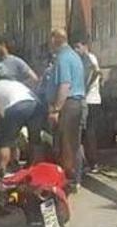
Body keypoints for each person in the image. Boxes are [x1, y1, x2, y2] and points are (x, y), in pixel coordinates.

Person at [44, 29, 87, 189]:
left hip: (68, 104)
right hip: (73, 103)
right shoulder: (73, 57)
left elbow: (65, 85)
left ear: (56, 40)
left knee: (68, 143)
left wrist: (56, 109)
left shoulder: (63, 58)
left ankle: (71, 178)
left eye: (51, 40)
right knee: (72, 142)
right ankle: (74, 177)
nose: (49, 44)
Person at [0, 79, 41, 173]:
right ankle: (34, 168)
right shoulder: (16, 83)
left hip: (16, 107)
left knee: (5, 141)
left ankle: (2, 168)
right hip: (36, 105)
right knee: (34, 140)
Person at [75, 39, 103, 172]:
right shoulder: (87, 58)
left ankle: (93, 162)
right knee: (87, 133)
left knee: (88, 133)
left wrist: (84, 88)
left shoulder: (88, 58)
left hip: (90, 100)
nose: (76, 50)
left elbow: (96, 72)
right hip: (91, 100)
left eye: (78, 46)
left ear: (85, 46)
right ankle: (90, 162)